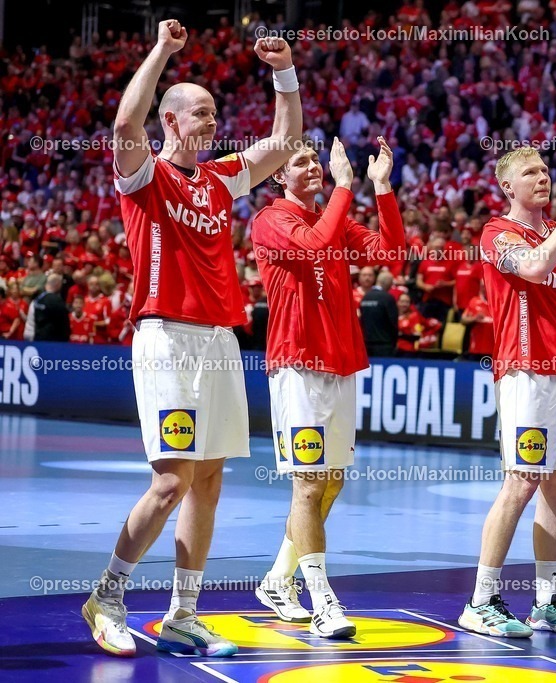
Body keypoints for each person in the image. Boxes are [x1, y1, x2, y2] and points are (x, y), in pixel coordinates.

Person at [81, 19, 301, 658]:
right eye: (201, 113)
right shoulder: (144, 176)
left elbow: (286, 141)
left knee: (208, 481)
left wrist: (282, 71)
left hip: (219, 342)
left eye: (215, 112)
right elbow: (125, 126)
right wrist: (161, 50)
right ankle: (109, 594)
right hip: (167, 341)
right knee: (171, 480)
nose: (212, 121)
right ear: (172, 121)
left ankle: (183, 612)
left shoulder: (221, 178)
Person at [250, 136, 404, 638]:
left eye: (315, 159)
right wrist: (342, 188)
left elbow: (394, 254)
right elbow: (315, 245)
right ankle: (321, 599)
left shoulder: (335, 218)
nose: (313, 165)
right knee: (309, 481)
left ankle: (277, 579)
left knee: (331, 480)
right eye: (300, 161)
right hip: (298, 363)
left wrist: (381, 188)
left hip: (341, 362)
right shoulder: (271, 219)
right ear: (277, 175)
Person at [460, 149, 556, 638]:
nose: (543, 178)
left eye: (546, 171)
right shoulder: (496, 232)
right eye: (530, 172)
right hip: (527, 370)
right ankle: (480, 600)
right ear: (507, 186)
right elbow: (532, 267)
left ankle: (546, 600)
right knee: (523, 481)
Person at [360, 270, 400, 357]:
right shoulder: (388, 298)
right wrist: (395, 341)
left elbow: (362, 320)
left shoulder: (366, 297)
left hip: (367, 344)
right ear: (389, 284)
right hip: (385, 345)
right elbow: (393, 322)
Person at [32, 273, 71, 342]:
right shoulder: (56, 300)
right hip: (53, 339)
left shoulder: (38, 299)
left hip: (39, 336)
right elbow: (63, 322)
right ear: (57, 284)